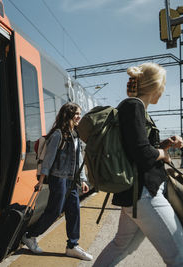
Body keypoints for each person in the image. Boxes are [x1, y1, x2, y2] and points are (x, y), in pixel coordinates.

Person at [93, 63, 183, 267]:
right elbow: (142, 154)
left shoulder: (134, 107)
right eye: (163, 85)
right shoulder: (134, 106)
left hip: (136, 195)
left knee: (121, 246)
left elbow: (136, 148)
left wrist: (164, 144)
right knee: (179, 255)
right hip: (144, 194)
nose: (163, 90)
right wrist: (164, 155)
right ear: (155, 87)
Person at [22, 102, 93, 261]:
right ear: (68, 115)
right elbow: (48, 159)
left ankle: (72, 246)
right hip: (58, 178)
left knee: (74, 210)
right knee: (54, 211)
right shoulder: (57, 135)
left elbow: (78, 158)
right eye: (76, 114)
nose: (79, 117)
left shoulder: (75, 135)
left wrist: (82, 179)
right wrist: (41, 180)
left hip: (72, 179)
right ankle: (30, 236)